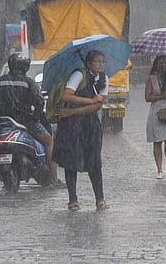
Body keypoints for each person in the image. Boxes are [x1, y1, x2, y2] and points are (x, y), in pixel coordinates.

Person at [0, 53, 61, 191]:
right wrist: (35, 117)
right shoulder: (28, 82)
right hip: (26, 122)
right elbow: (39, 102)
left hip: (2, 123)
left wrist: (1, 113)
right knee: (49, 141)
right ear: (25, 67)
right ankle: (54, 180)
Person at [52, 50, 109, 211]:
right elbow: (67, 95)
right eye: (96, 61)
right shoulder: (78, 75)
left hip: (90, 125)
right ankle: (73, 200)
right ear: (89, 63)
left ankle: (100, 198)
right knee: (72, 161)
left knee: (94, 162)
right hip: (72, 126)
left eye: (101, 62)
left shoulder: (104, 79)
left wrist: (74, 111)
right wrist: (89, 100)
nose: (99, 64)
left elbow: (98, 106)